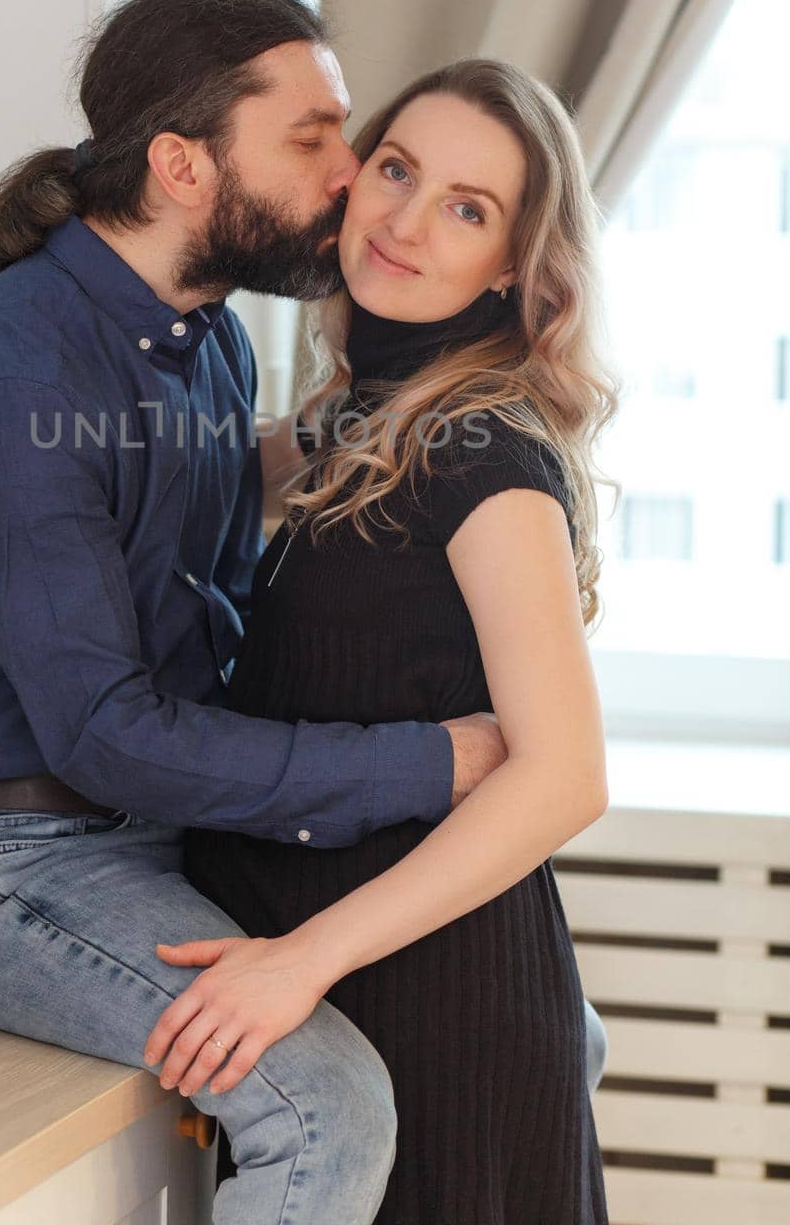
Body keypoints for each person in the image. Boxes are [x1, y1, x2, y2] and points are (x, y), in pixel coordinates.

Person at [0, 0, 606, 1225]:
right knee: (330, 1103)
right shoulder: (10, 380)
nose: (353, 186)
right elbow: (108, 731)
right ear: (181, 167)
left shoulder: (206, 341)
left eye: (354, 142)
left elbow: (306, 461)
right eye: (324, 145)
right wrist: (431, 763)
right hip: (20, 861)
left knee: (559, 1037)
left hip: (165, 839)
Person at [146, 59, 620, 1224]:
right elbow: (198, 468)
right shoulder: (364, 418)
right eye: (397, 172)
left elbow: (565, 776)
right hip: (342, 996)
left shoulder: (478, 451)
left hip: (431, 1016)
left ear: (512, 263)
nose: (406, 224)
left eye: (466, 207)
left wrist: (301, 957)